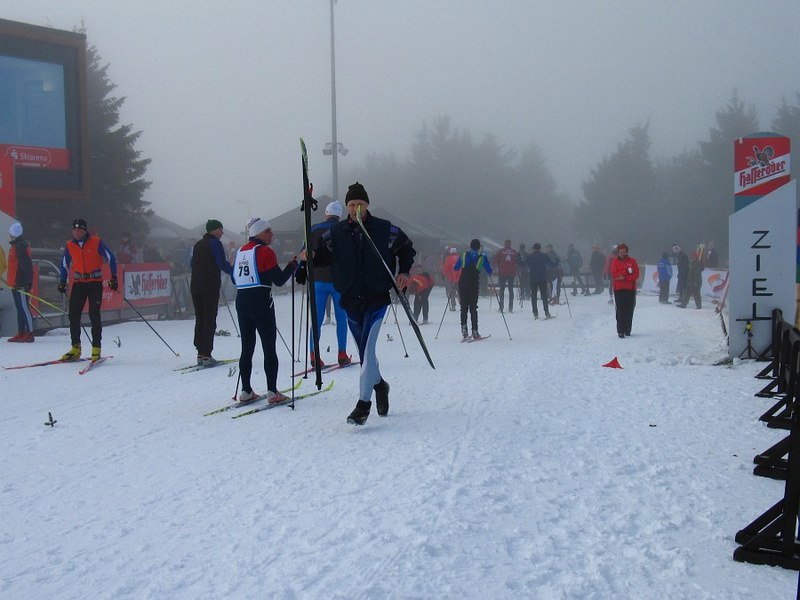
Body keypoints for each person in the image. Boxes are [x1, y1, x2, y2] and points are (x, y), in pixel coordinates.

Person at [307, 181, 415, 426]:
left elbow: (406, 248)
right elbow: (322, 255)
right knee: (366, 352)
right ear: (347, 207)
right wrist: (310, 256)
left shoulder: (385, 229)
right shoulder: (335, 233)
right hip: (349, 300)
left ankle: (363, 404)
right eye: (352, 204)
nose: (356, 208)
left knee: (367, 351)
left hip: (376, 298)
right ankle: (380, 385)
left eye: (360, 204)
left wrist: (404, 271)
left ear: (367, 205)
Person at [233, 218, 298, 403]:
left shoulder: (240, 251)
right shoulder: (265, 251)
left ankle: (246, 391)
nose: (272, 233)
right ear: (258, 233)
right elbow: (279, 280)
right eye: (268, 231)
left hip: (242, 301)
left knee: (247, 347)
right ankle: (272, 392)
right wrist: (293, 265)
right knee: (269, 347)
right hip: (261, 303)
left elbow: (234, 278)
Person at [297, 200, 350, 368]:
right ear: (339, 215)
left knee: (316, 319)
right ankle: (342, 354)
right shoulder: (344, 229)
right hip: (339, 281)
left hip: (317, 280)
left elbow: (304, 253)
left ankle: (314, 356)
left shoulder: (313, 229)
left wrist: (301, 268)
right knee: (341, 318)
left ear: (326, 213)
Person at [57, 218, 118, 361]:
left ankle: (96, 348)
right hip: (79, 283)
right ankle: (75, 348)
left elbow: (111, 258)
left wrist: (114, 277)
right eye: (74, 230)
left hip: (94, 283)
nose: (76, 232)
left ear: (85, 231)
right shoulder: (70, 245)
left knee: (94, 314)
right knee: (73, 315)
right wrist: (62, 281)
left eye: (79, 230)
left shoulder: (96, 241)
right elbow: (64, 264)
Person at [190, 219, 233, 367]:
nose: (222, 233)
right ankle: (207, 354)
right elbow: (222, 262)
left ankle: (200, 353)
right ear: (214, 230)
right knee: (209, 318)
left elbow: (192, 264)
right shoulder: (215, 243)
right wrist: (234, 272)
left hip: (195, 286)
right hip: (209, 286)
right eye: (220, 230)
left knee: (200, 318)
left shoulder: (198, 244)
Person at [454, 238, 492, 340]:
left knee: (464, 306)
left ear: (470, 246)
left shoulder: (464, 255)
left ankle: (464, 328)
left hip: (463, 282)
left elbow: (456, 268)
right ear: (479, 247)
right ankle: (475, 330)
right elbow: (489, 270)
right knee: (473, 308)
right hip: (473, 284)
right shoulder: (482, 257)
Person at [7, 222, 34, 342]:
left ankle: (29, 332)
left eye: (10, 233)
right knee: (19, 308)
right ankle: (21, 331)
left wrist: (27, 282)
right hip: (14, 283)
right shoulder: (15, 245)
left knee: (24, 308)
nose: (9, 235)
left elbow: (26, 266)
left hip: (20, 283)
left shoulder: (20, 247)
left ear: (14, 234)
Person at [610, 243, 640, 338]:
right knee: (620, 310)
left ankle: (628, 329)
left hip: (630, 289)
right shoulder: (615, 262)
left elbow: (636, 274)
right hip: (619, 289)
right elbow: (614, 274)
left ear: (626, 252)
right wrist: (627, 272)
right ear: (618, 252)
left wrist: (624, 277)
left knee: (629, 309)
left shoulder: (632, 261)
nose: (622, 254)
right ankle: (620, 330)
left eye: (623, 252)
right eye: (620, 252)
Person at [522, 242, 554, 320]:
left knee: (533, 296)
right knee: (544, 296)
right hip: (542, 278)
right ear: (540, 248)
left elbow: (523, 264)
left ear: (533, 248)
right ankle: (547, 312)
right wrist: (557, 261)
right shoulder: (544, 256)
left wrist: (518, 259)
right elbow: (551, 264)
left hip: (533, 278)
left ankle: (535, 313)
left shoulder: (530, 256)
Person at [493, 239, 519, 313]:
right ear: (510, 244)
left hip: (502, 273)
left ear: (504, 244)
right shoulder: (514, 252)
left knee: (502, 290)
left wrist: (495, 267)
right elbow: (518, 261)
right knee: (511, 289)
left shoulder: (501, 251)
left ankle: (501, 307)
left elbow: (495, 260)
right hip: (512, 273)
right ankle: (511, 307)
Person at [676, 245, 704, 309]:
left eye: (692, 258)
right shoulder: (693, 264)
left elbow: (697, 275)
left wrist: (695, 282)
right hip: (691, 281)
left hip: (695, 282)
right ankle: (684, 304)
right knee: (687, 293)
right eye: (691, 258)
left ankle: (698, 306)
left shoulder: (697, 265)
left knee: (696, 294)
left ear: (695, 258)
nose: (691, 259)